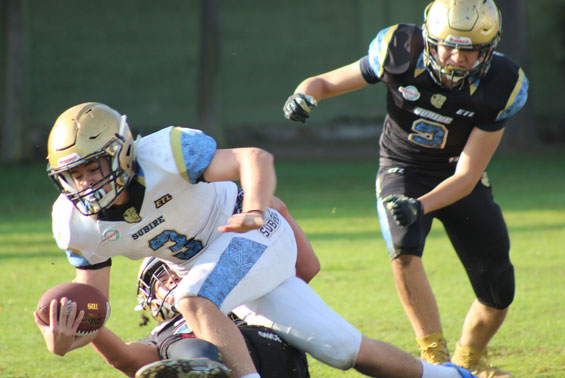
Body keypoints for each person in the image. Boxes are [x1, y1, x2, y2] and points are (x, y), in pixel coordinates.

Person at [38, 101, 481, 378]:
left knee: (193, 300)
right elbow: (92, 305)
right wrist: (74, 335)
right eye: (73, 175)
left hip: (254, 233)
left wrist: (254, 208)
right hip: (218, 277)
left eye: (93, 168)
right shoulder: (77, 223)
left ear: (122, 151)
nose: (86, 184)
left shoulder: (166, 154)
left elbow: (255, 158)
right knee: (349, 351)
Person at [283, 0, 528, 377]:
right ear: (430, 39)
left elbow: (466, 175)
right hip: (403, 167)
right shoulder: (400, 50)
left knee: (498, 290)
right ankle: (435, 360)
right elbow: (328, 81)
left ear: (489, 49)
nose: (458, 58)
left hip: (458, 177)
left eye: (471, 50)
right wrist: (305, 94)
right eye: (450, 46)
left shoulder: (503, 82)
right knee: (404, 250)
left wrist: (422, 205)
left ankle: (469, 361)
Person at [35, 256, 310, 378]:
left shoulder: (244, 298)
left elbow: (304, 269)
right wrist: (84, 325)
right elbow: (126, 359)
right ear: (148, 298)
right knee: (184, 344)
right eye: (164, 279)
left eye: (181, 275)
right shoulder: (163, 334)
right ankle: (199, 369)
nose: (175, 281)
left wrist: (276, 212)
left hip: (274, 355)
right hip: (191, 348)